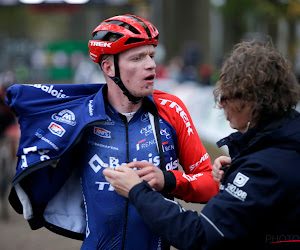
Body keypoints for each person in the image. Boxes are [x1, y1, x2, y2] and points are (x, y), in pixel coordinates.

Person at [5, 14, 219, 249]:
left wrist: (168, 179)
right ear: (108, 67)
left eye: (151, 55)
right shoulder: (82, 117)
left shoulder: (171, 110)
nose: (151, 64)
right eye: (137, 58)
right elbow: (43, 189)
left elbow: (210, 183)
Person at [103, 39, 300, 249]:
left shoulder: (265, 167)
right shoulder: (284, 145)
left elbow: (201, 235)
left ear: (254, 101)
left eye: (227, 95)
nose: (220, 103)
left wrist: (137, 191)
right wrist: (236, 171)